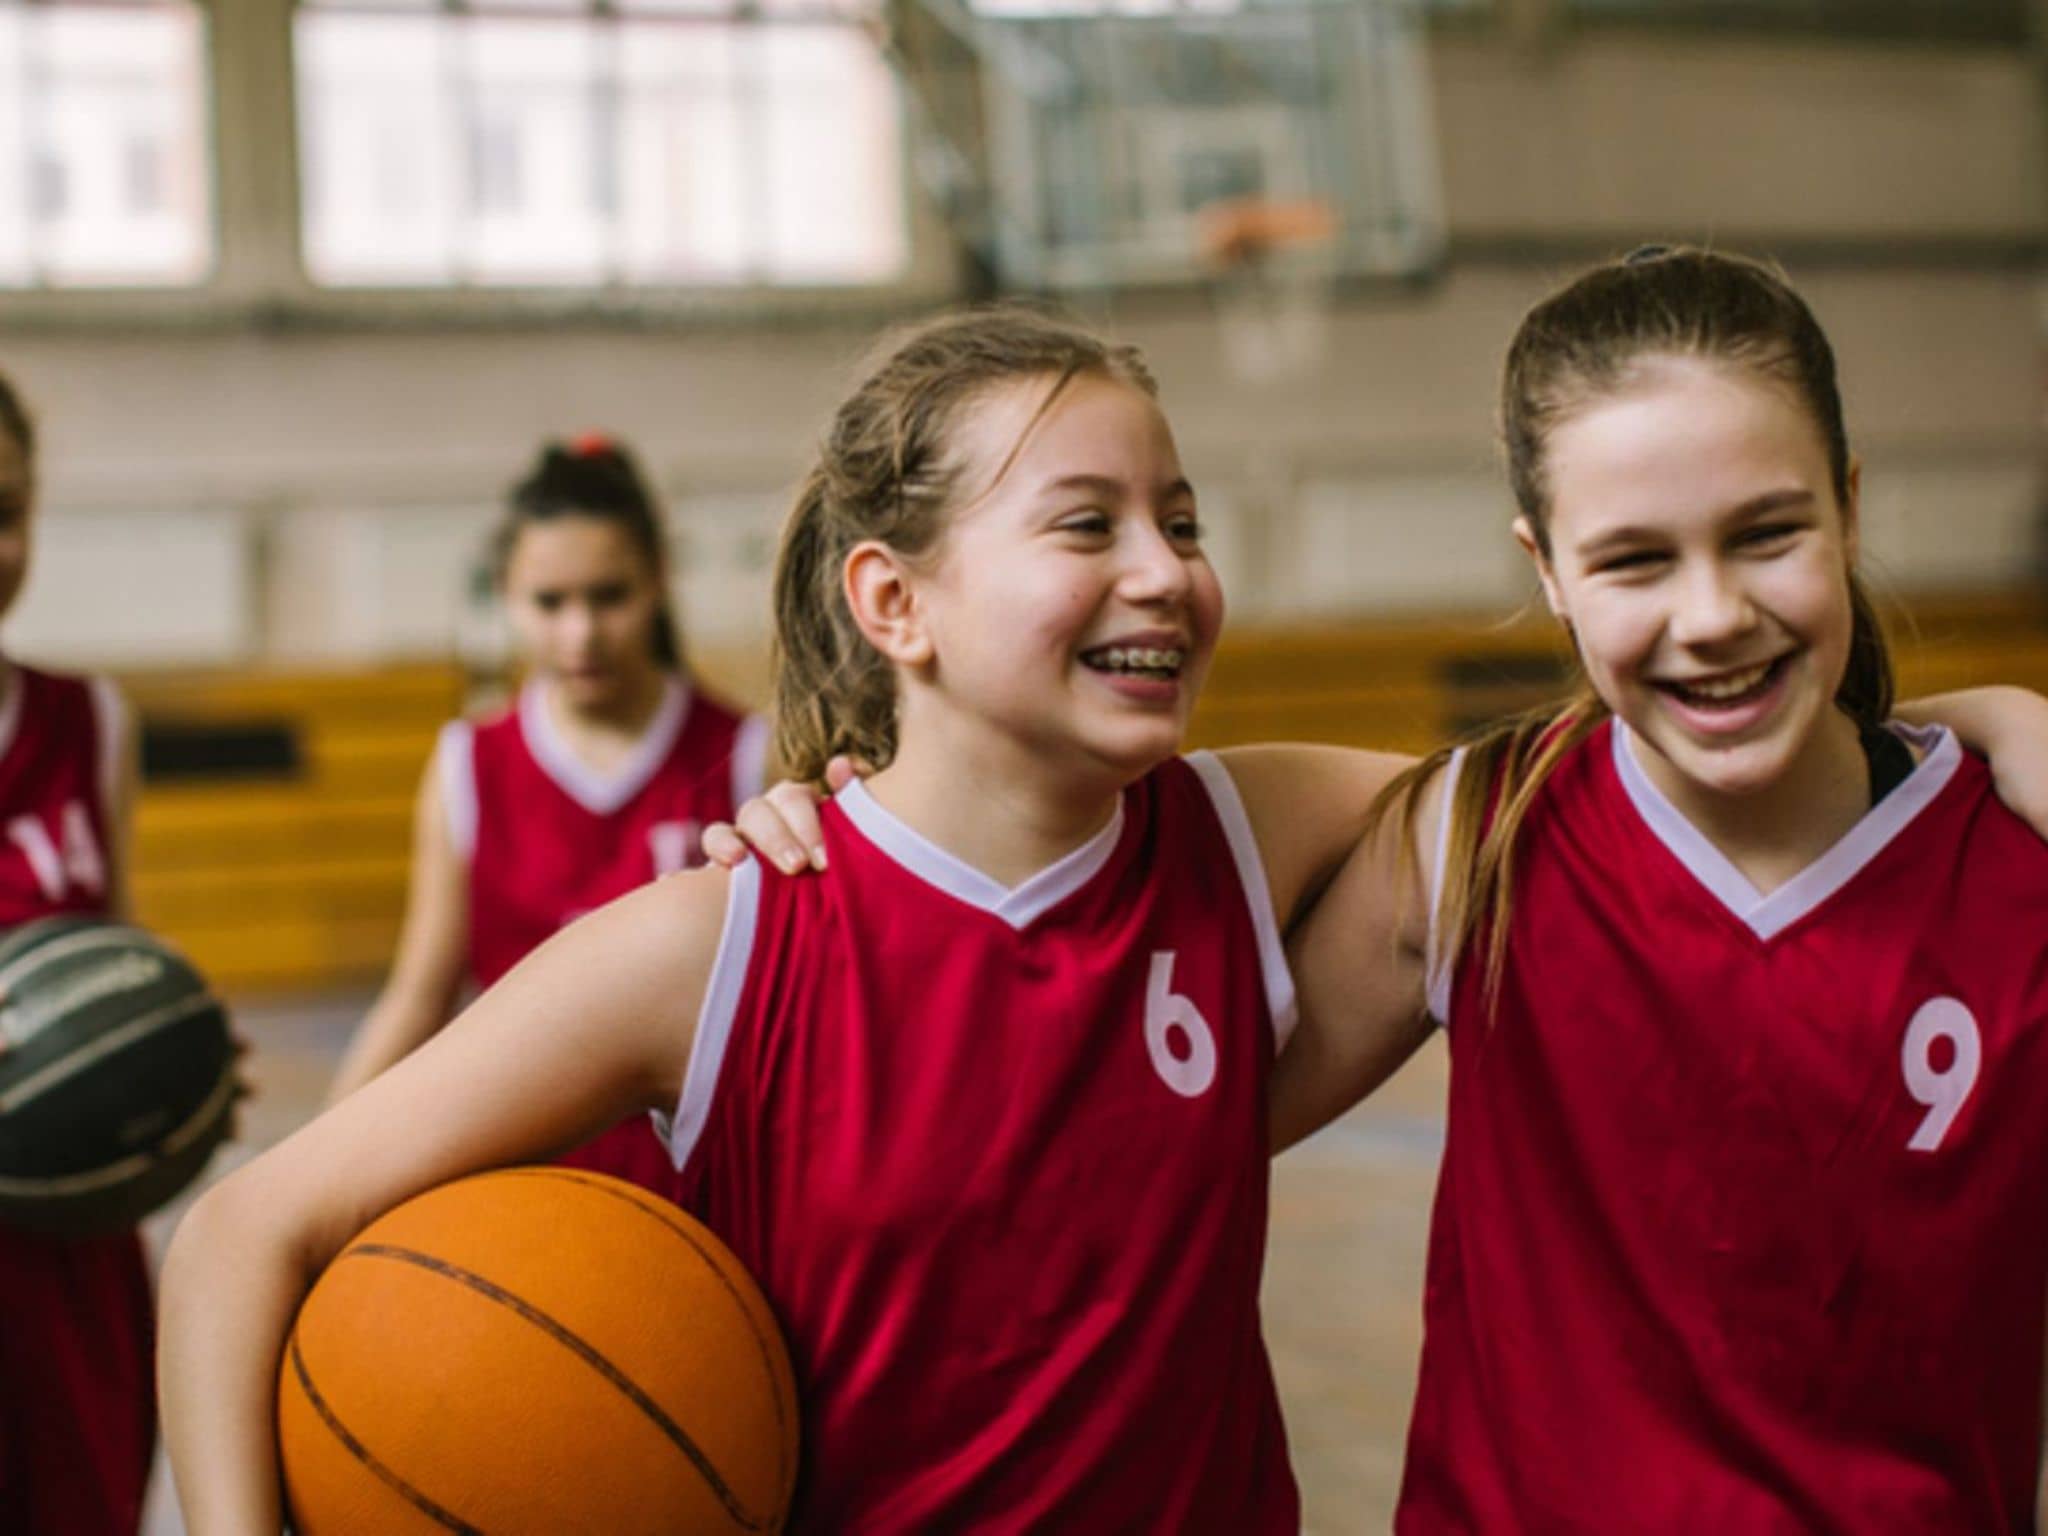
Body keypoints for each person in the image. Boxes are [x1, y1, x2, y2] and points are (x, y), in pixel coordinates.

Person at [158, 308, 1420, 1533]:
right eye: (1087, 524)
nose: (1164, 570)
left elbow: (1534, 798)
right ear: (892, 604)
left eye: (1181, 521)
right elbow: (237, 1235)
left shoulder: (1237, 830)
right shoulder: (728, 937)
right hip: (613, 1271)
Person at [1278, 245, 2048, 1528]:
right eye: (1634, 560)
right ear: (1544, 568)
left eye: (1766, 534)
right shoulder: (1475, 842)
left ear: (1848, 509)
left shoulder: (2013, 871)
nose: (1710, 613)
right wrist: (849, 833)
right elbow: (1156, 1136)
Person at [325, 435, 767, 1196]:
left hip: (698, 1183)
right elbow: (419, 995)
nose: (581, 633)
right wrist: (316, 1167)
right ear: (505, 593)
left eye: (608, 596)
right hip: (517, 1177)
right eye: (550, 602)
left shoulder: (748, 755)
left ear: (659, 579)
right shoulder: (469, 763)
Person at [0, 369, 152, 1534]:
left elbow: (122, 955)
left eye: (7, 511)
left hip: (74, 1251)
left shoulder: (91, 721)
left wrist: (172, 1058)